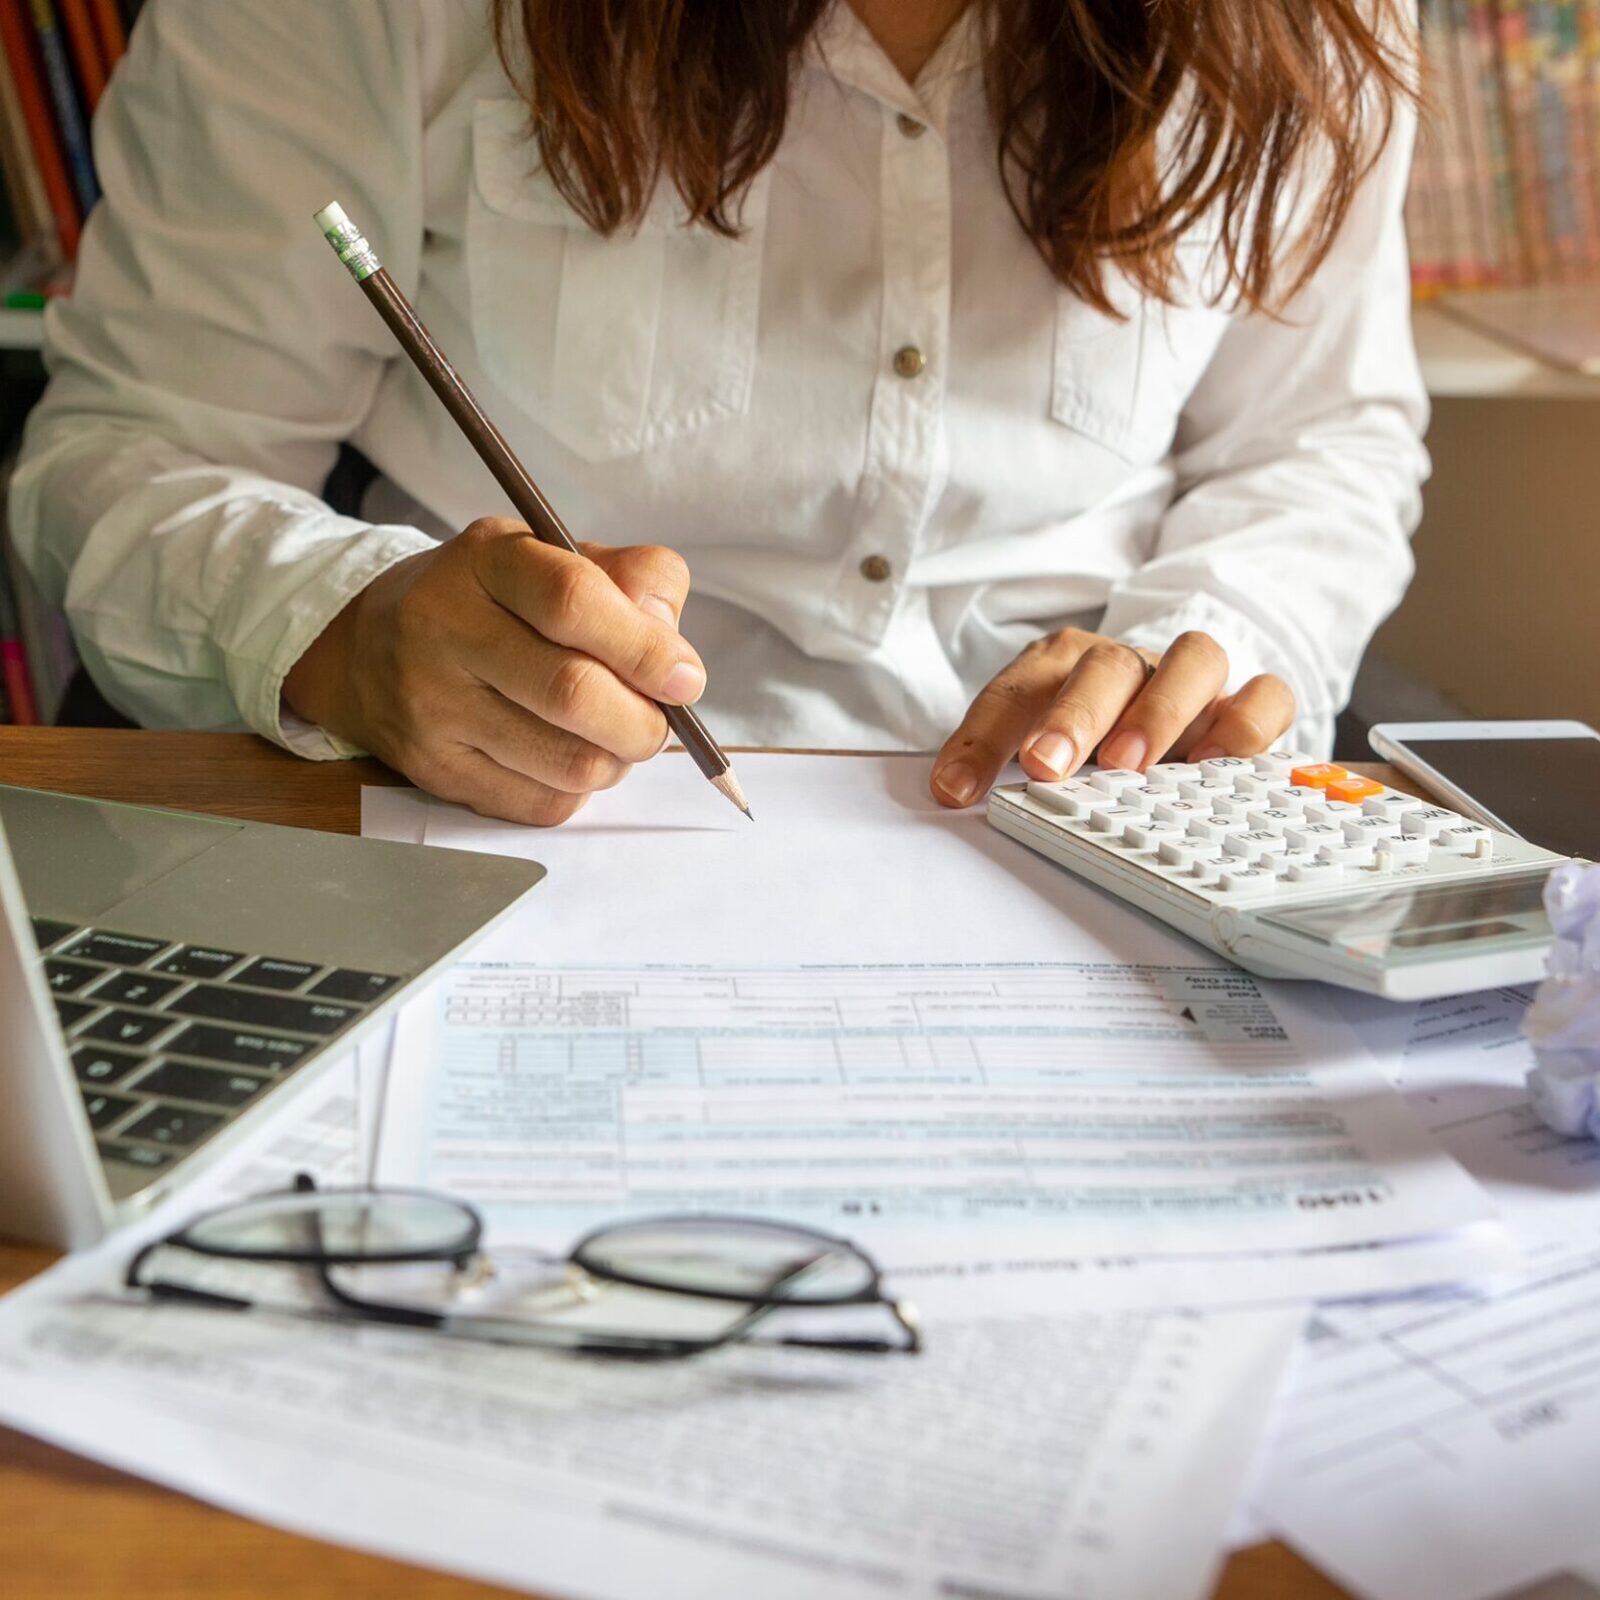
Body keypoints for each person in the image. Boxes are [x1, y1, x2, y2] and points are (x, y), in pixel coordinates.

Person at [10, 0, 1426, 826]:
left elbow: (1318, 444)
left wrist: (1209, 650)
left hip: (1096, 838)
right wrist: (339, 628)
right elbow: (135, 450)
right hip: (501, 835)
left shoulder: (1313, 28)